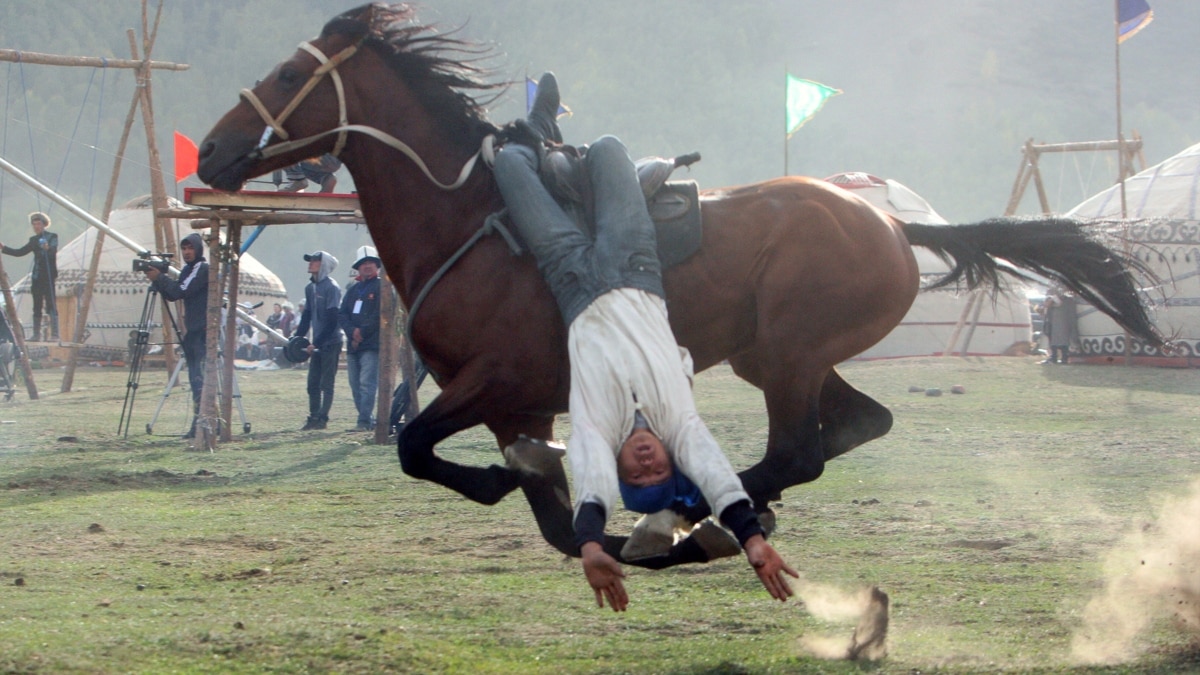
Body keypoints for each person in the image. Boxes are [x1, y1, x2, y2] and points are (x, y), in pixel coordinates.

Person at [493, 74, 796, 612]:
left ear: (622, 468)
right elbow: (718, 478)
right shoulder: (680, 423)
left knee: (510, 164)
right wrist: (752, 540)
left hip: (572, 280)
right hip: (634, 263)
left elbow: (590, 488)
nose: (647, 462)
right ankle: (561, 148)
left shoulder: (596, 428)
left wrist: (588, 543)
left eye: (637, 473)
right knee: (609, 148)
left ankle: (538, 132)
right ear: (672, 460)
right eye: (659, 469)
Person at [141, 233, 208, 438]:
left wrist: (160, 278)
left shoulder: (202, 269)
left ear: (198, 249)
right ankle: (198, 424)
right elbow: (172, 295)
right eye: (184, 248)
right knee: (195, 379)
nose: (187, 252)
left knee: (201, 379)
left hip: (203, 332)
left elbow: (181, 292)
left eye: (190, 248)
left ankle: (205, 423)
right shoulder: (188, 269)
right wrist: (160, 281)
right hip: (193, 331)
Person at [295, 251, 343, 430]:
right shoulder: (310, 288)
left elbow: (333, 321)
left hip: (331, 342)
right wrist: (297, 338)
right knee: (312, 382)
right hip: (317, 342)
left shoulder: (332, 288)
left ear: (323, 265)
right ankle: (313, 416)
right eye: (310, 261)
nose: (310, 263)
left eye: (315, 261)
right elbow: (306, 316)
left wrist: (317, 342)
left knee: (326, 382)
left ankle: (323, 418)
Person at [339, 246, 383, 432]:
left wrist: (361, 333)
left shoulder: (381, 286)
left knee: (367, 383)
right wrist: (351, 332)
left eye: (370, 263)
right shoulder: (353, 289)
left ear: (376, 266)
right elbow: (343, 314)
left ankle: (364, 421)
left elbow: (379, 314)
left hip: (371, 344)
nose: (367, 266)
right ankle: (366, 419)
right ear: (358, 267)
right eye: (363, 263)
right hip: (353, 344)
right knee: (355, 384)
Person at [1, 212, 59, 340]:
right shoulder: (33, 240)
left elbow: (52, 251)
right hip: (37, 276)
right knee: (36, 305)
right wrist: (4, 248)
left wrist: (47, 248)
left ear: (44, 224)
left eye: (38, 224)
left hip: (48, 276)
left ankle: (55, 334)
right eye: (34, 224)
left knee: (51, 304)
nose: (36, 226)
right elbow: (20, 252)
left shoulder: (52, 237)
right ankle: (36, 334)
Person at [1041, 286, 1079, 364]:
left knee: (1063, 339)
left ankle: (1063, 357)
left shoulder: (1068, 301)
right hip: (1054, 323)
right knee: (1055, 339)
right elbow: (1046, 306)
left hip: (1063, 322)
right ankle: (1055, 357)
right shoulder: (1052, 301)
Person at [276, 154, 342, 193]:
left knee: (281, 148)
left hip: (319, 153)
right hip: (336, 158)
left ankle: (297, 180)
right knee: (300, 168)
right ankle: (326, 178)